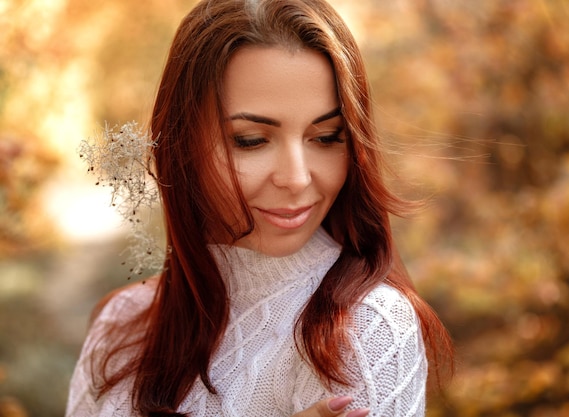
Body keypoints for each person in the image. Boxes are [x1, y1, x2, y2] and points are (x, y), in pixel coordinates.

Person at [66, 0, 453, 416]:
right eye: (251, 140)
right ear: (181, 146)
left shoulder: (363, 328)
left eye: (326, 137)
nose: (297, 178)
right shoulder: (123, 325)